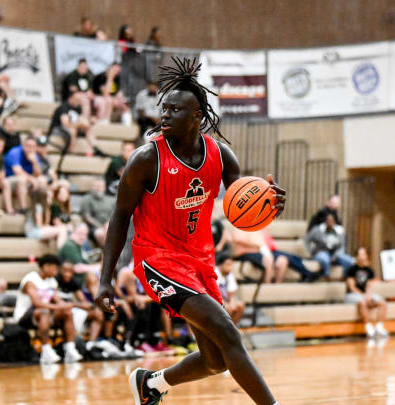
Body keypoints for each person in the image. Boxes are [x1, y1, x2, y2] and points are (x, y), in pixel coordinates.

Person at [94, 57, 286, 405]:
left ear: (197, 116)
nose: (164, 115)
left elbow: (248, 205)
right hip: (157, 259)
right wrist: (104, 278)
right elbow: (120, 216)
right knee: (229, 335)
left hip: (199, 259)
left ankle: (151, 383)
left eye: (175, 110)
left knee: (215, 359)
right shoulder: (145, 159)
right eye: (163, 108)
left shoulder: (222, 156)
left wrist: (270, 204)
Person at [14, 254, 84, 364]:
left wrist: (66, 305)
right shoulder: (30, 280)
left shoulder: (52, 281)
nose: (57, 271)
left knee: (66, 312)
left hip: (45, 314)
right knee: (44, 312)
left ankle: (70, 349)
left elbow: (58, 300)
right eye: (55, 268)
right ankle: (46, 350)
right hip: (25, 315)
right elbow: (37, 303)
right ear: (45, 267)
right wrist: (58, 306)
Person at [344, 247, 388, 338]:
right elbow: (352, 287)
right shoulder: (351, 270)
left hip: (364, 294)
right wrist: (363, 296)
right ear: (356, 256)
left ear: (366, 256)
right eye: (359, 254)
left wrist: (368, 295)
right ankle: (368, 327)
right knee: (362, 302)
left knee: (382, 302)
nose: (361, 257)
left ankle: (379, 327)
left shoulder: (369, 270)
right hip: (352, 295)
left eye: (363, 254)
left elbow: (368, 286)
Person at [305, 213, 354, 278]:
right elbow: (307, 239)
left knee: (349, 261)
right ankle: (326, 275)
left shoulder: (340, 231)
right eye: (328, 220)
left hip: (336, 253)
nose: (330, 222)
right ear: (325, 221)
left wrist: (336, 256)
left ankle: (344, 276)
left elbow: (342, 246)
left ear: (335, 222)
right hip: (321, 251)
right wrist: (311, 250)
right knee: (325, 259)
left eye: (331, 220)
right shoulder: (317, 229)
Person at [48, 89, 97, 154]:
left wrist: (86, 107)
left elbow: (84, 121)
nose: (78, 102)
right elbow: (65, 124)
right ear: (70, 98)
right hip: (58, 129)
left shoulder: (78, 108)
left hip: (73, 128)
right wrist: (80, 124)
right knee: (72, 130)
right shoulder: (64, 107)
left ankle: (95, 148)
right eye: (77, 99)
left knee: (87, 126)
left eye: (79, 100)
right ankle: (71, 152)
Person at [80, 178, 115, 247]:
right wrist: (101, 226)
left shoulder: (111, 200)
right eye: (96, 186)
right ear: (92, 187)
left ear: (104, 188)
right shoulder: (87, 199)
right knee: (100, 233)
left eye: (101, 186)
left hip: (109, 226)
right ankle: (107, 253)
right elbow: (87, 217)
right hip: (94, 227)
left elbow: (114, 214)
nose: (99, 189)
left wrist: (108, 224)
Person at [215, 253, 245, 325]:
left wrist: (232, 303)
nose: (230, 267)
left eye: (231, 265)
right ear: (220, 265)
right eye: (228, 264)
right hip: (215, 300)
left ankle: (233, 328)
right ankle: (223, 329)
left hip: (225, 299)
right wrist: (226, 304)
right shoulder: (215, 273)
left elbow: (231, 293)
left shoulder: (229, 274)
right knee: (227, 308)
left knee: (240, 305)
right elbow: (215, 293)